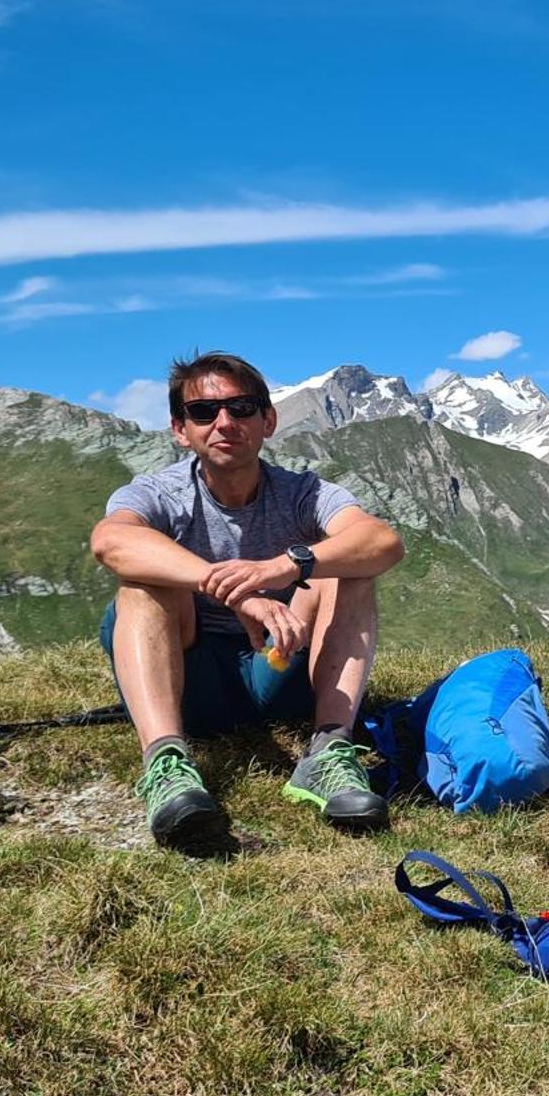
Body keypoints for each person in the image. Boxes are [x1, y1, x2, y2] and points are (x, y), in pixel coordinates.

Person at [90, 350, 405, 853]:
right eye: (203, 412)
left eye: (242, 408)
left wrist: (283, 566)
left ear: (268, 420)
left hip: (279, 666)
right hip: (188, 677)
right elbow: (111, 542)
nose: (224, 422)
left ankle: (327, 750)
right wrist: (231, 589)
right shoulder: (159, 493)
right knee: (146, 581)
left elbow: (383, 542)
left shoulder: (305, 492)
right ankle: (166, 765)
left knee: (351, 570)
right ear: (180, 429)